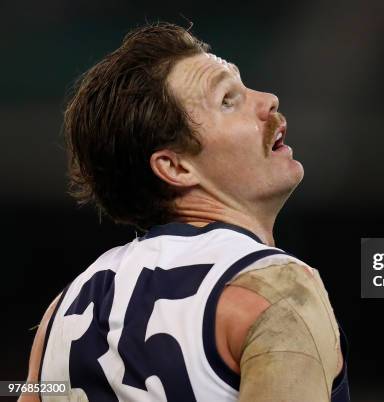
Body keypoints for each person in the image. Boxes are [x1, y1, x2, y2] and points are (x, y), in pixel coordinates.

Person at [20, 22, 349, 402]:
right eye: (228, 100)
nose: (268, 100)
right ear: (175, 167)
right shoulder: (275, 291)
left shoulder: (62, 312)